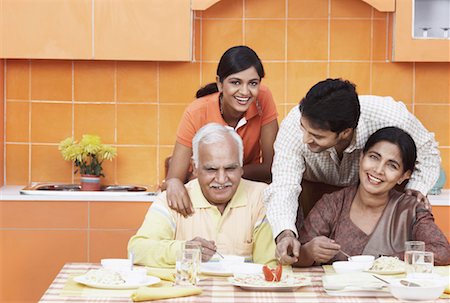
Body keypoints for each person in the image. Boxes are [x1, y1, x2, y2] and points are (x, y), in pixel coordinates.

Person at [265, 78, 441, 265]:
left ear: (345, 133)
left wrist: (416, 187)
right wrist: (285, 233)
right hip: (313, 191)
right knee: (306, 251)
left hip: (377, 195)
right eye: (304, 129)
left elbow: (428, 152)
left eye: (317, 136)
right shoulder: (293, 126)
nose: (305, 139)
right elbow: (284, 185)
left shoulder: (390, 116)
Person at [128, 123, 277, 267]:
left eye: (230, 168)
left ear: (241, 167)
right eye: (211, 169)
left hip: (243, 292)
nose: (221, 179)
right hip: (189, 291)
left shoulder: (262, 198)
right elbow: (137, 250)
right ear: (195, 168)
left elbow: (270, 265)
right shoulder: (173, 199)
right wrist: (184, 250)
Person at [296, 127, 450, 266]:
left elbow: (442, 252)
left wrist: (387, 262)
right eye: (374, 157)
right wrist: (309, 252)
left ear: (404, 176)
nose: (378, 170)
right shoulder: (333, 204)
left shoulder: (411, 210)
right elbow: (297, 255)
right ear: (361, 157)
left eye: (392, 165)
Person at [163, 45, 279, 217]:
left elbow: (273, 167)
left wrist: (225, 175)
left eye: (253, 83)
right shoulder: (196, 111)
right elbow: (175, 177)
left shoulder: (263, 98)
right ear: (219, 83)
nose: (245, 92)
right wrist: (173, 183)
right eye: (235, 82)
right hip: (206, 192)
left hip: (247, 190)